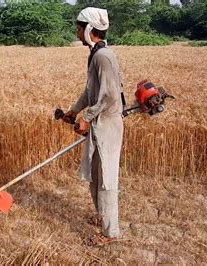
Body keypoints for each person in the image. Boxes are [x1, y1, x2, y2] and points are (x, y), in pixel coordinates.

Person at [63, 7, 124, 246]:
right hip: (99, 123)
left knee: (106, 179)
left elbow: (109, 95)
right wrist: (74, 110)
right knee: (96, 176)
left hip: (107, 126)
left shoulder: (103, 56)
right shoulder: (95, 53)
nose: (77, 32)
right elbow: (91, 90)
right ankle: (103, 217)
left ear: (89, 29)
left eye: (78, 27)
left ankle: (110, 233)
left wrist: (87, 118)